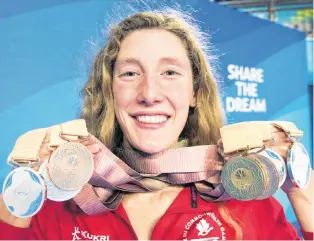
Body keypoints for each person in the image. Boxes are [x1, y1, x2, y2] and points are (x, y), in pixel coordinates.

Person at [0, 9, 313, 240]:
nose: (149, 94)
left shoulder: (247, 206)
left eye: (170, 73)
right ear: (109, 92)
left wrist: (298, 181)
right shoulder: (62, 205)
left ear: (195, 93)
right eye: (130, 73)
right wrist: (25, 183)